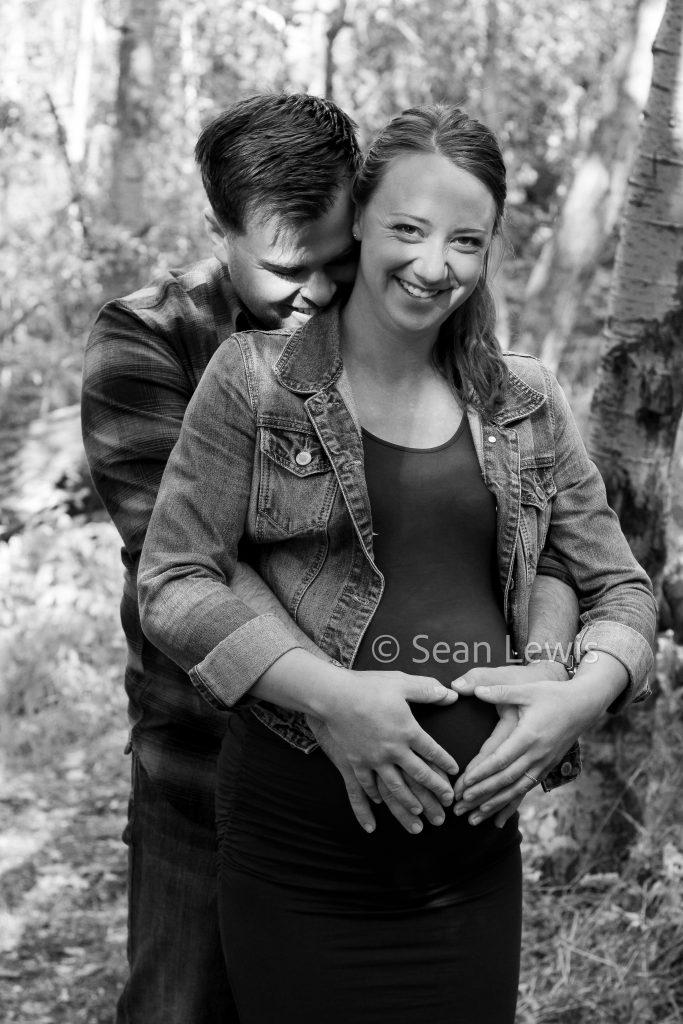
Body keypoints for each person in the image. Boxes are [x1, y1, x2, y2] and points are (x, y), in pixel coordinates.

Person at [137, 103, 657, 1023]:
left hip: (471, 874)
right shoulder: (256, 382)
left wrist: (580, 696)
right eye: (407, 229)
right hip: (302, 855)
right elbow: (175, 577)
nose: (433, 264)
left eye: (467, 238)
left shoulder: (527, 399)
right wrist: (332, 696)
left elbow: (618, 586)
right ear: (360, 221)